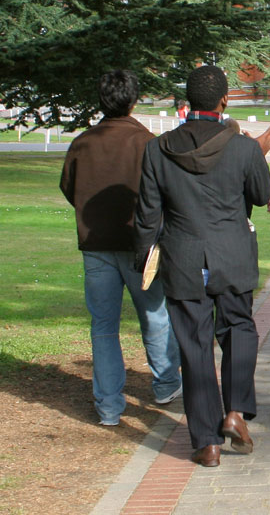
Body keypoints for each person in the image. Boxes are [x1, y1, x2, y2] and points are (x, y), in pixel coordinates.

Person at [134, 65, 270, 468]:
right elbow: (262, 192)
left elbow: (147, 216)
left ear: (187, 102)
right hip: (231, 256)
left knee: (194, 347)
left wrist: (142, 261)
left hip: (183, 258)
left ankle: (207, 442)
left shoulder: (158, 149)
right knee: (239, 330)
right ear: (224, 100)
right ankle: (235, 412)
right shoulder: (244, 147)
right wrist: (256, 156)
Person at [59, 70, 181, 427]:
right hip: (139, 244)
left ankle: (109, 405)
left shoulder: (82, 143)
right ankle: (165, 384)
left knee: (104, 327)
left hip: (96, 243)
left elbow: (70, 187)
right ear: (133, 100)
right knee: (155, 317)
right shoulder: (147, 143)